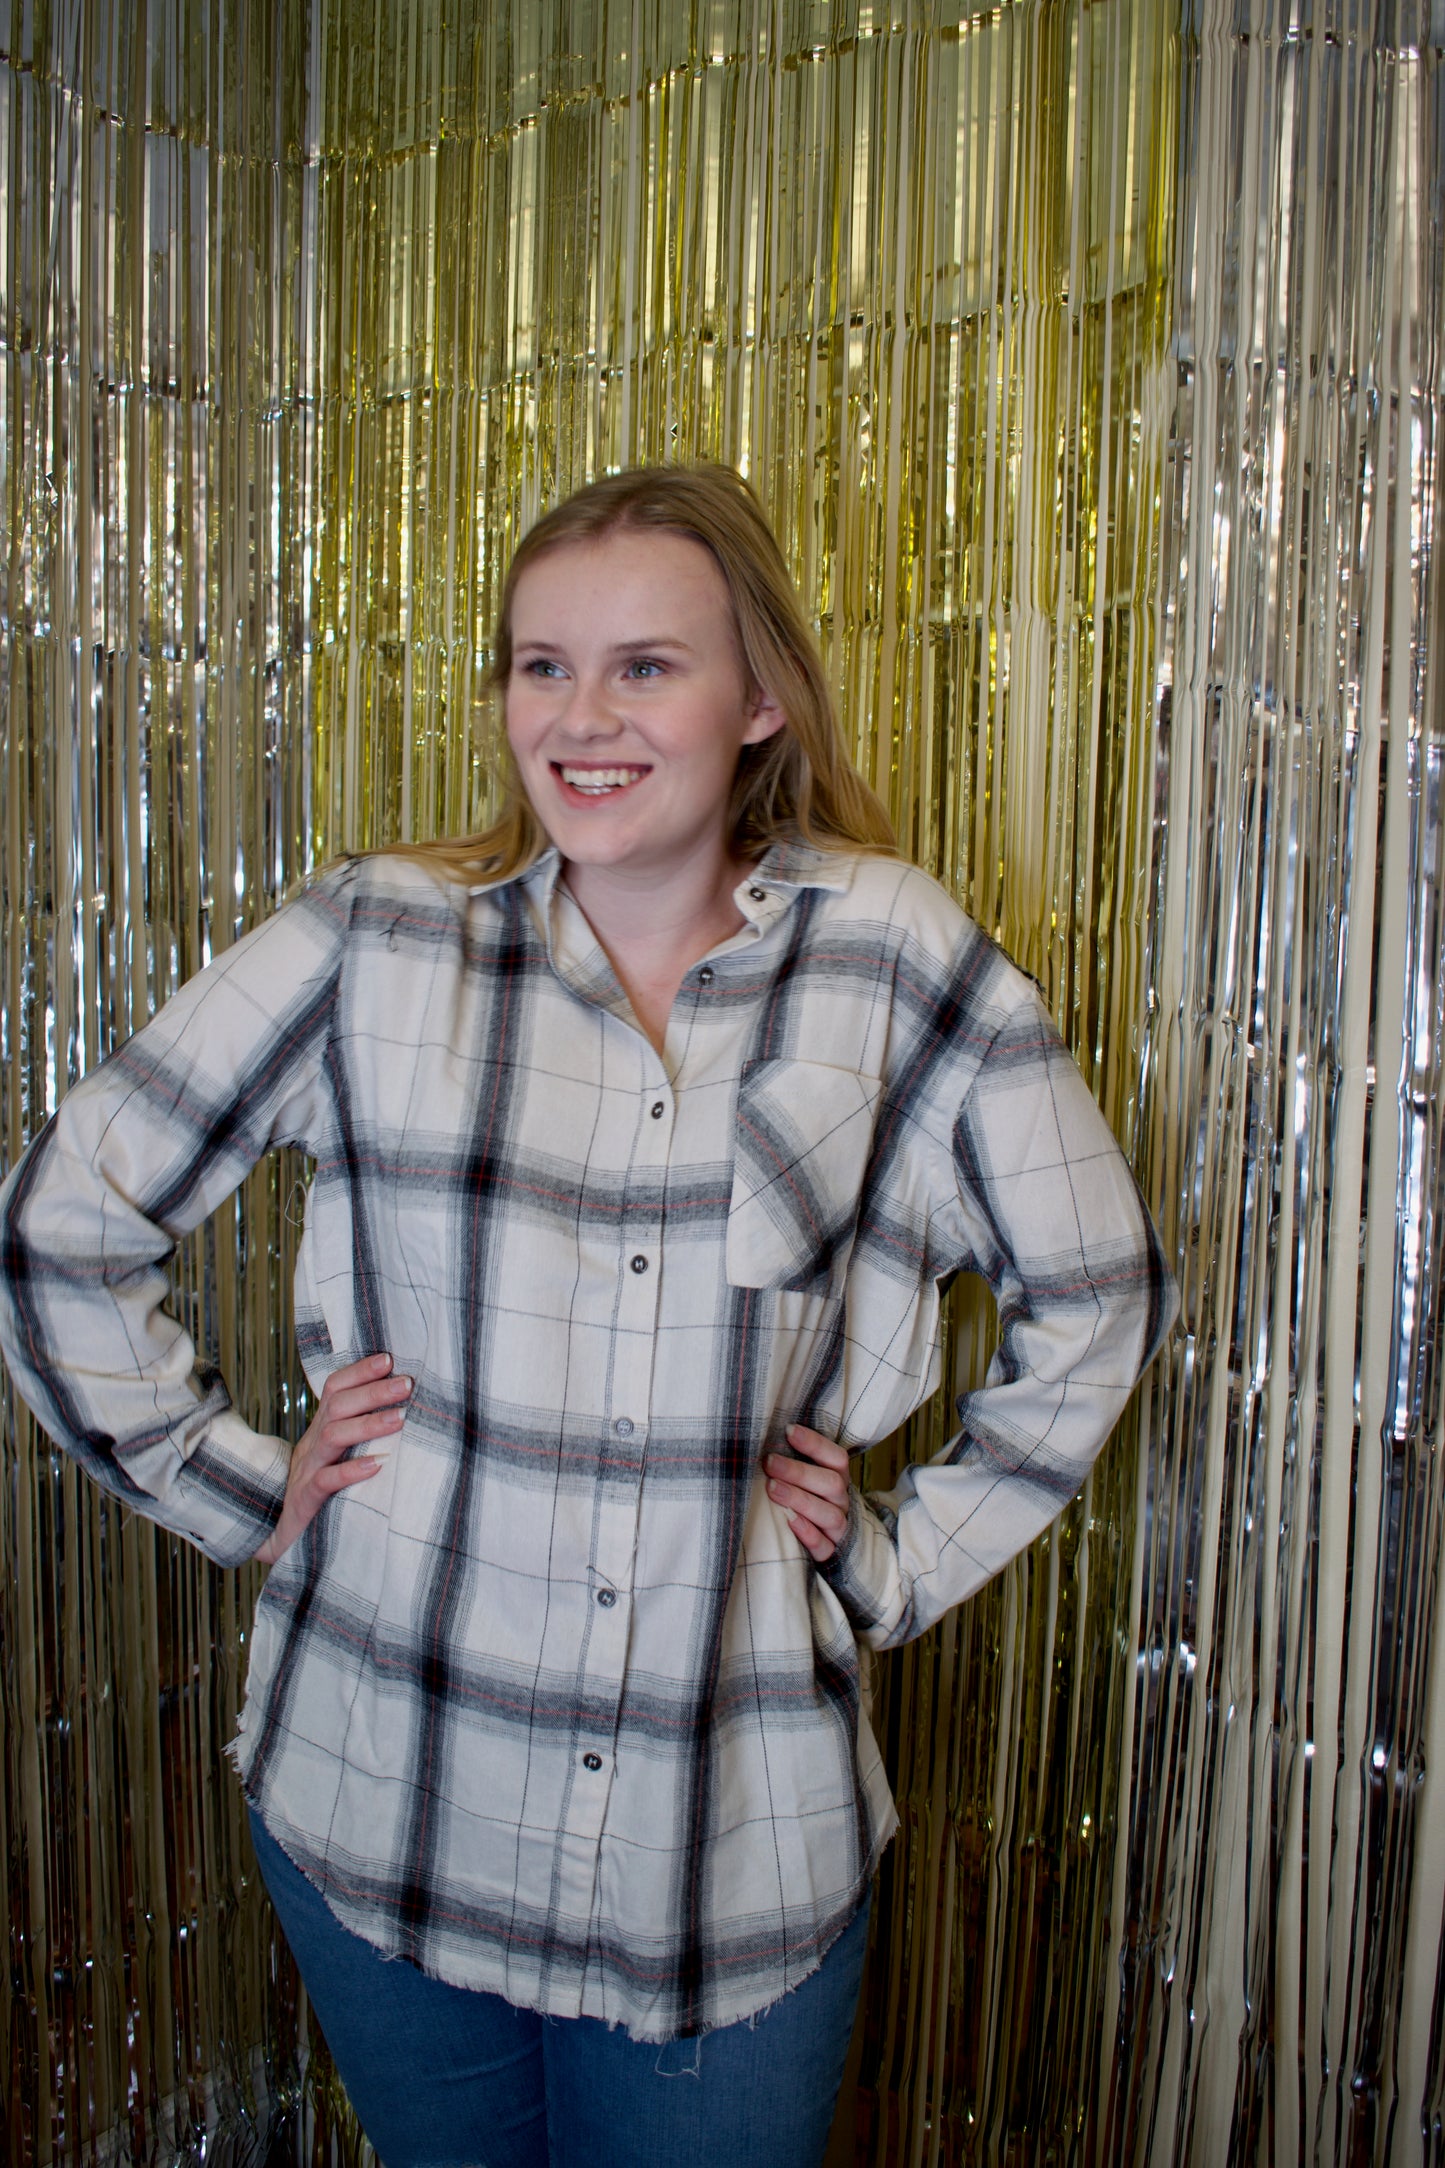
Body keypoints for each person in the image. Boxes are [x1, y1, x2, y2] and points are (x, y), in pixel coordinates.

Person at [0, 464, 1175, 2168]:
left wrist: (897, 1560)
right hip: (379, 1802)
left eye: (644, 665)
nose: (581, 716)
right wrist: (238, 1486)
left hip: (726, 1864)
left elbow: (1098, 1291)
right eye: (539, 666)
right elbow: (66, 1217)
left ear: (757, 696)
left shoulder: (893, 962)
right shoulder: (373, 940)